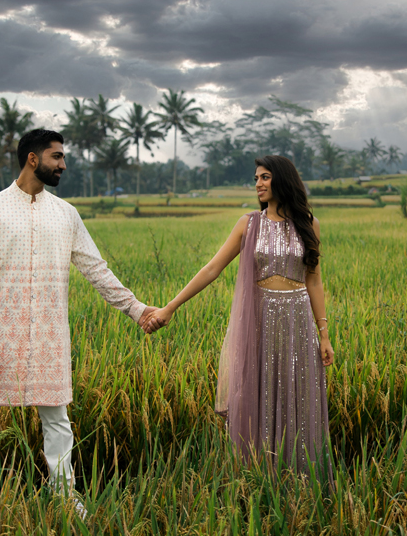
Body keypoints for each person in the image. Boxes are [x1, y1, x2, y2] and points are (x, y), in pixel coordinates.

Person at [0, 128, 155, 507]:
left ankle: (65, 498)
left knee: (57, 420)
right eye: (57, 157)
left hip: (50, 336)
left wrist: (136, 309)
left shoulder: (66, 214)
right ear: (33, 159)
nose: (63, 164)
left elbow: (96, 270)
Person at [141, 155, 335, 485]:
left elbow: (314, 280)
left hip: (298, 322)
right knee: (259, 392)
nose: (258, 183)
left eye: (265, 177)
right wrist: (170, 306)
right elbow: (211, 269)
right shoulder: (249, 224)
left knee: (296, 394)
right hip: (258, 323)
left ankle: (299, 480)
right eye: (257, 177)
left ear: (283, 180)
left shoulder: (309, 224)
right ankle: (259, 477)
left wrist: (324, 334)